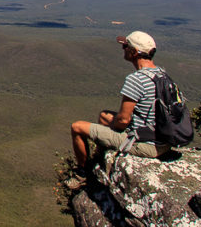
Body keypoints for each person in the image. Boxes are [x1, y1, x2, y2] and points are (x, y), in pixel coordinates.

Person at [69, 31, 172, 179]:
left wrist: (113, 132)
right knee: (104, 116)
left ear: (135, 52)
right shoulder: (162, 74)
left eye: (125, 46)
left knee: (77, 127)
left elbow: (123, 121)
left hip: (146, 144)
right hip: (162, 139)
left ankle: (83, 174)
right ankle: (100, 157)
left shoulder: (136, 80)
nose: (123, 48)